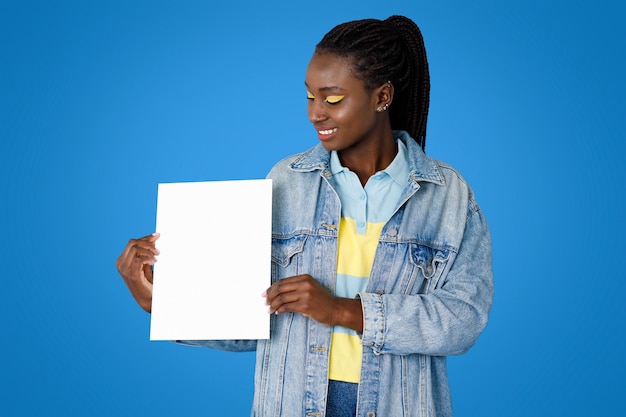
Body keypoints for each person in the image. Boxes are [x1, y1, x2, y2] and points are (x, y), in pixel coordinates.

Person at [116, 15, 494, 417]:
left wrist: (343, 310)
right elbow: (256, 320)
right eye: (310, 96)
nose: (315, 113)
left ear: (382, 96)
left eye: (332, 99)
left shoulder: (447, 195)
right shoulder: (285, 181)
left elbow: (463, 319)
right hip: (293, 401)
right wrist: (166, 304)